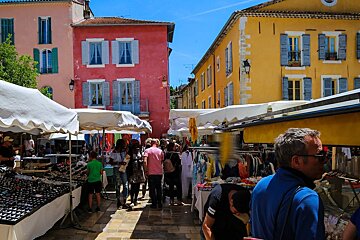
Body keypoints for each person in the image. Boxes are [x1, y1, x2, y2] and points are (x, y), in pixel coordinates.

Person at [251, 128, 326, 240]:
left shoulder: (261, 185)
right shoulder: (307, 198)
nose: (325, 160)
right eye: (320, 156)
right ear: (296, 161)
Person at [143, 138, 164, 209]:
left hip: (151, 173)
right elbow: (162, 161)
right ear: (157, 143)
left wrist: (146, 170)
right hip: (159, 172)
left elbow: (145, 161)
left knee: (152, 189)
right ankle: (160, 203)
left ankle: (154, 203)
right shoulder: (160, 151)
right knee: (159, 188)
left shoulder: (147, 151)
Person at [110, 139, 130, 208]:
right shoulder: (114, 152)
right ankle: (118, 200)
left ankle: (124, 200)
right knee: (117, 185)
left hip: (123, 168)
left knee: (125, 184)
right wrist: (119, 163)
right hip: (116, 168)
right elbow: (111, 162)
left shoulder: (124, 152)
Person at [127, 140, 146, 207]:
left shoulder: (140, 151)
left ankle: (135, 199)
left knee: (137, 185)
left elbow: (142, 158)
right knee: (132, 186)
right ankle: (132, 200)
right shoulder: (129, 152)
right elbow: (127, 160)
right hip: (132, 170)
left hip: (139, 170)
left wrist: (141, 161)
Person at [164, 141, 183, 206]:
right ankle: (179, 200)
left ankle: (171, 200)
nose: (176, 147)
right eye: (175, 146)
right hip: (176, 173)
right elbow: (179, 163)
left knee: (171, 187)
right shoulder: (175, 154)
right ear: (172, 147)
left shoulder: (166, 154)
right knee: (178, 187)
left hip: (168, 173)